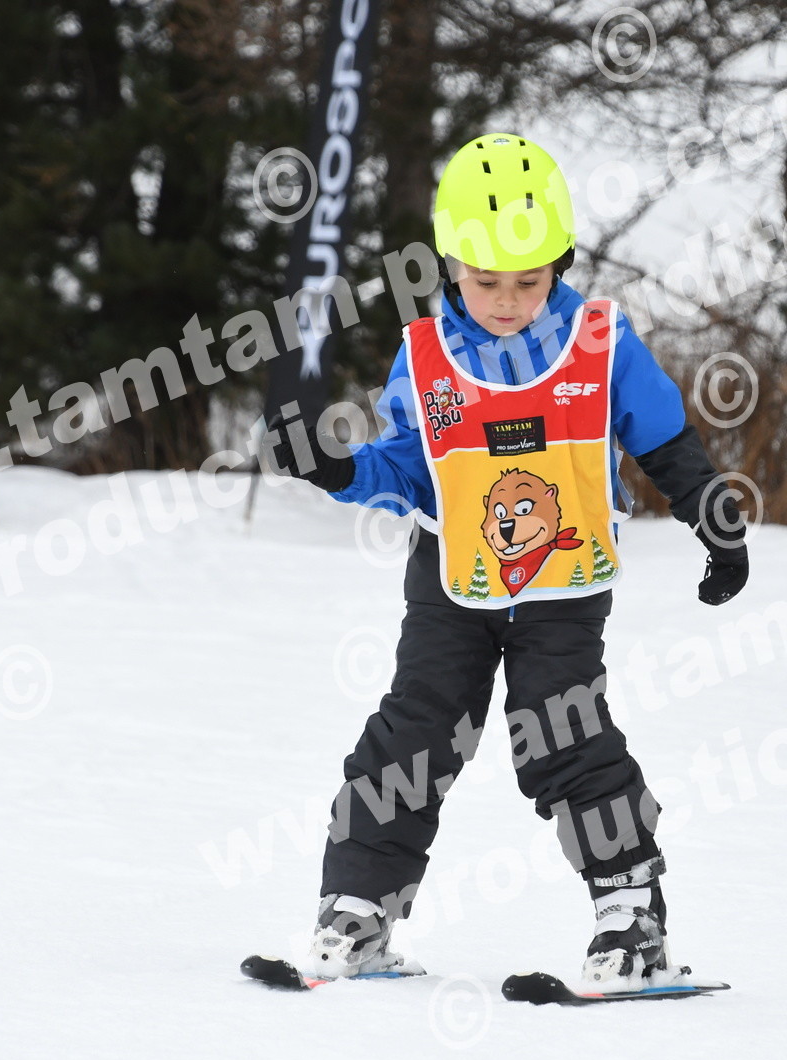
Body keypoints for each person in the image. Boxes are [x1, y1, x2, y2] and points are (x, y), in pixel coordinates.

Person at [267, 132, 748, 987]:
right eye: (486, 279)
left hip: (564, 582)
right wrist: (335, 468)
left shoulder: (600, 343)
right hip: (450, 581)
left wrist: (718, 525)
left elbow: (665, 440)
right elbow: (406, 468)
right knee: (415, 731)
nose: (507, 299)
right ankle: (358, 910)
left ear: (559, 262)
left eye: (529, 280)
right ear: (452, 264)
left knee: (560, 731)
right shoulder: (425, 356)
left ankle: (631, 915)